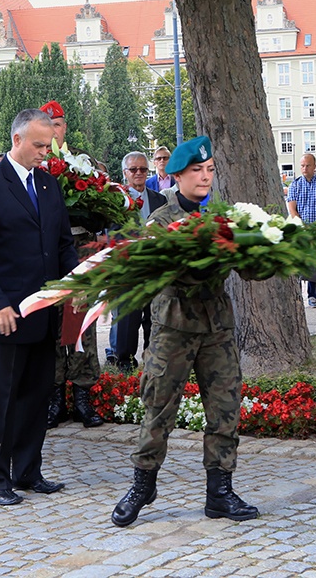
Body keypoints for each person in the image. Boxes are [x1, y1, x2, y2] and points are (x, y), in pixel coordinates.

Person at [111, 135, 259, 528]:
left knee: (225, 409)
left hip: (217, 327)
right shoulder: (161, 220)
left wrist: (263, 250)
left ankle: (220, 492)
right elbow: (159, 271)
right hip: (173, 328)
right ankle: (144, 484)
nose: (205, 177)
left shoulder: (228, 217)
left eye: (210, 170)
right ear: (177, 175)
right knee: (158, 409)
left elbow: (251, 271)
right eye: (197, 170)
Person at [0, 108, 80, 506]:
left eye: (49, 145)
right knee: (0, 400)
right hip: (5, 314)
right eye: (39, 145)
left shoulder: (48, 185)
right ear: (17, 140)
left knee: (34, 396)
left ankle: (27, 471)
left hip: (43, 313)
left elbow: (62, 242)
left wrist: (77, 284)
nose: (46, 152)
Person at [39, 100, 105, 430]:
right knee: (51, 323)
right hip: (47, 254)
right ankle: (54, 398)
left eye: (59, 124)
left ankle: (82, 396)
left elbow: (101, 204)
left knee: (81, 324)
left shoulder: (83, 163)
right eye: (48, 123)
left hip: (80, 250)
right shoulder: (34, 166)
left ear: (65, 128)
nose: (54, 129)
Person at [111, 151, 167, 370]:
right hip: (128, 267)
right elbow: (112, 233)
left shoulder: (159, 199)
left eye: (143, 169)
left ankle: (151, 357)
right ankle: (124, 360)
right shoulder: (115, 198)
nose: (139, 173)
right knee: (127, 318)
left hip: (154, 267)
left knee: (153, 317)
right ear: (125, 173)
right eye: (133, 169)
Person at [287, 153, 316, 307]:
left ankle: (312, 296)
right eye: (302, 165)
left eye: (307, 165)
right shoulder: (295, 185)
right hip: (300, 230)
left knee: (314, 264)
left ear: (314, 166)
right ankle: (297, 297)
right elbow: (292, 209)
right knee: (298, 264)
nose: (304, 168)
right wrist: (302, 226)